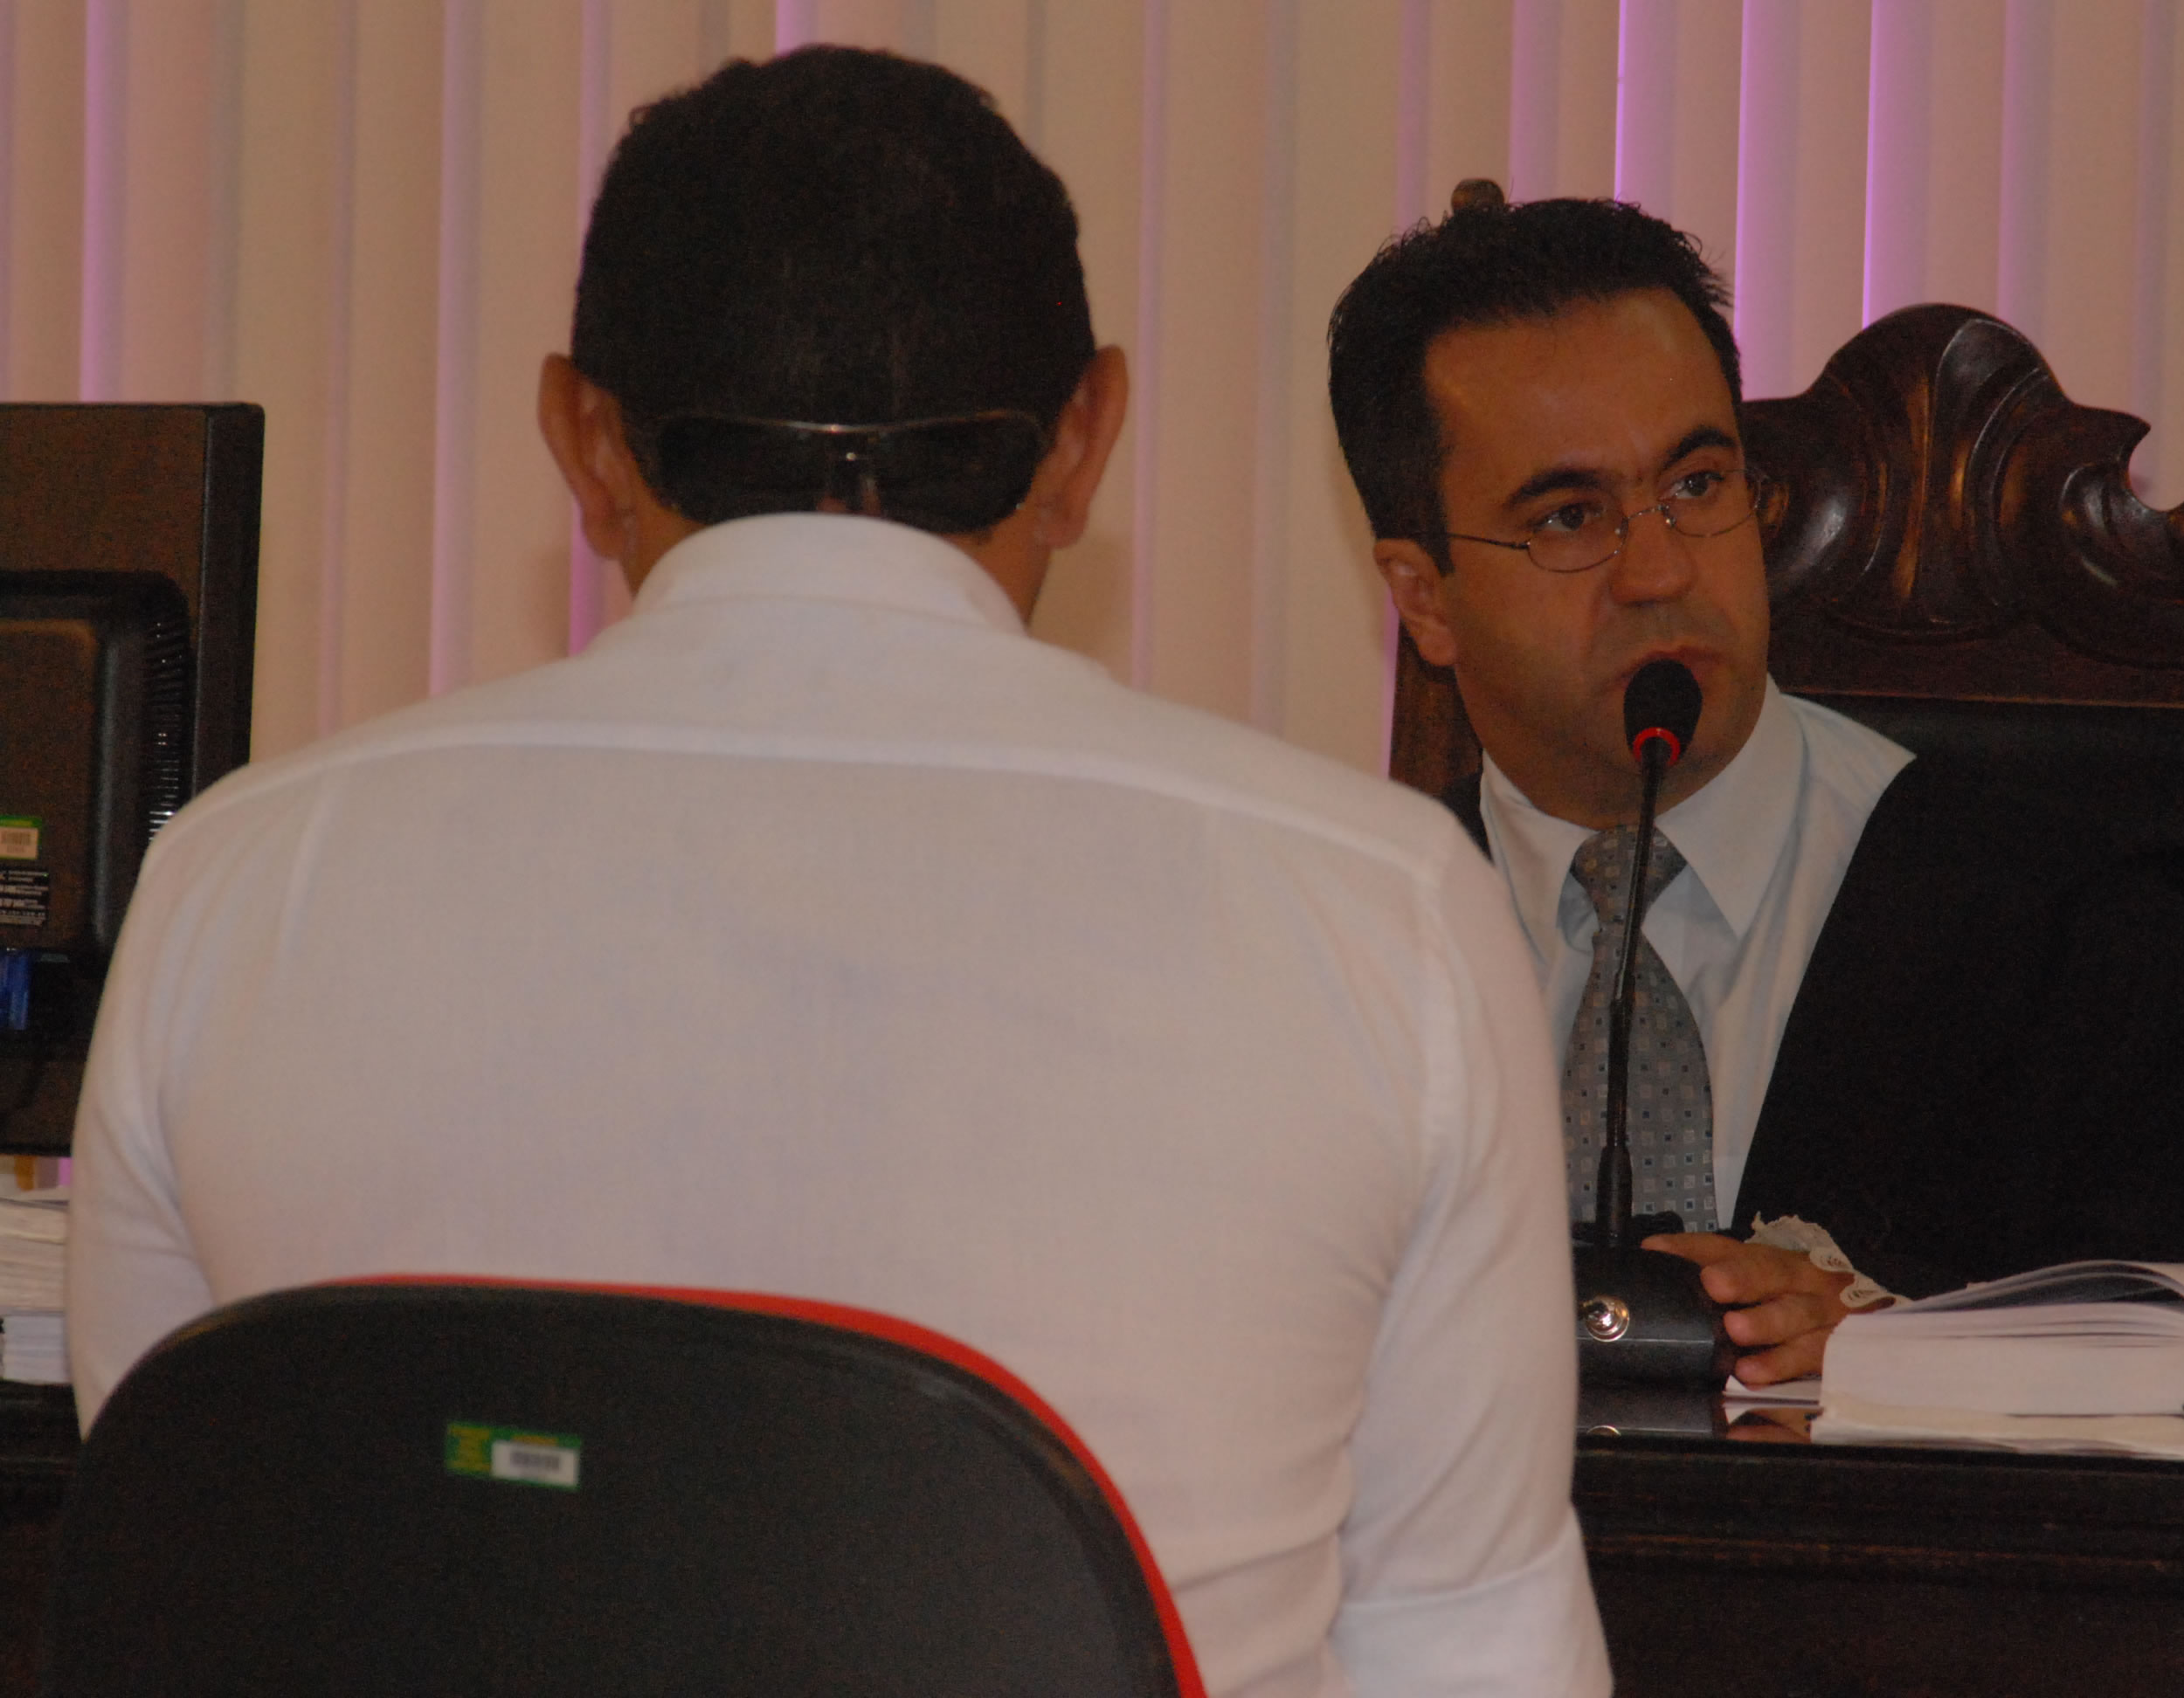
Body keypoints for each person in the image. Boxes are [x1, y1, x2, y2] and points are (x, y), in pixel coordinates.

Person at [68, 51, 1609, 1698]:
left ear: (582, 440)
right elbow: (1474, 1654)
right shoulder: (1383, 916)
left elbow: (181, 1569)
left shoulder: (234, 884)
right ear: (1086, 439)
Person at [1327, 196, 2184, 1384]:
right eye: (1571, 518)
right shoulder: (1332, 958)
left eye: (1697, 484)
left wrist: (1918, 1363)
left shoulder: (2072, 930)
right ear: (1424, 599)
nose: (1661, 570)